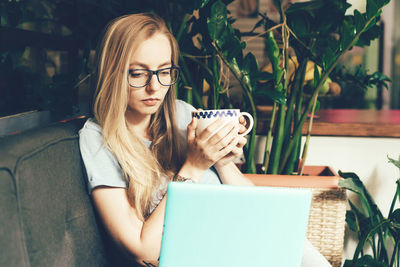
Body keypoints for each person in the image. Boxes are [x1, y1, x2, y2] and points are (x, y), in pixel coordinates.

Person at [79, 13, 331, 267]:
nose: (154, 87)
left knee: (295, 243)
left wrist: (221, 160)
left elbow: (255, 206)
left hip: (242, 236)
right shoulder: (98, 138)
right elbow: (142, 250)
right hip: (206, 254)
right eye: (137, 73)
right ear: (112, 73)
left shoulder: (183, 115)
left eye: (164, 71)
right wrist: (194, 166)